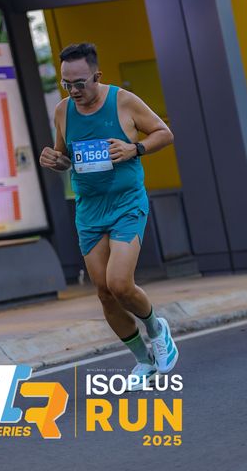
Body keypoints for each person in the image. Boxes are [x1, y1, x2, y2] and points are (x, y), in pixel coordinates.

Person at [39, 42, 179, 390]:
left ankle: (157, 329)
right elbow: (67, 157)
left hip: (126, 202)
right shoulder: (63, 111)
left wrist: (135, 148)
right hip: (89, 209)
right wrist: (56, 161)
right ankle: (143, 361)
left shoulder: (123, 101)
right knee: (104, 291)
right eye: (66, 84)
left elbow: (164, 133)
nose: (74, 91)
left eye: (80, 83)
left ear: (97, 76)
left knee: (119, 283)